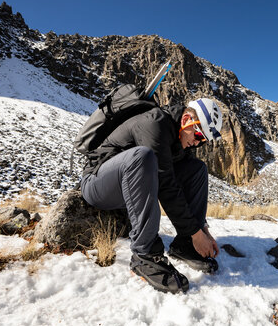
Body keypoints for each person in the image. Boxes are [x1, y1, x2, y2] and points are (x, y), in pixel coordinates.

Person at [80, 97, 223, 294]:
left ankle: (185, 246)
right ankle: (145, 255)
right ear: (186, 120)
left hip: (131, 188)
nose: (197, 142)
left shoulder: (178, 138)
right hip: (97, 185)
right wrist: (197, 234)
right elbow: (166, 186)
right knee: (142, 157)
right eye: (198, 135)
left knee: (197, 168)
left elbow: (181, 181)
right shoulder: (154, 124)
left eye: (203, 141)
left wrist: (201, 229)